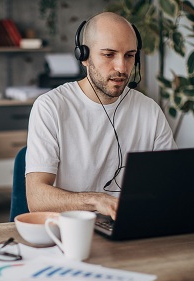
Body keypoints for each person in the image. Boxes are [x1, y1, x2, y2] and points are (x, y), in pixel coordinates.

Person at [25, 12, 177, 220]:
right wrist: (97, 201)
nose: (121, 68)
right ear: (84, 56)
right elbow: (36, 200)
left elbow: (172, 183)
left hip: (132, 227)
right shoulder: (51, 107)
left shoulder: (149, 110)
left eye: (129, 55)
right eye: (109, 55)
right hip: (72, 234)